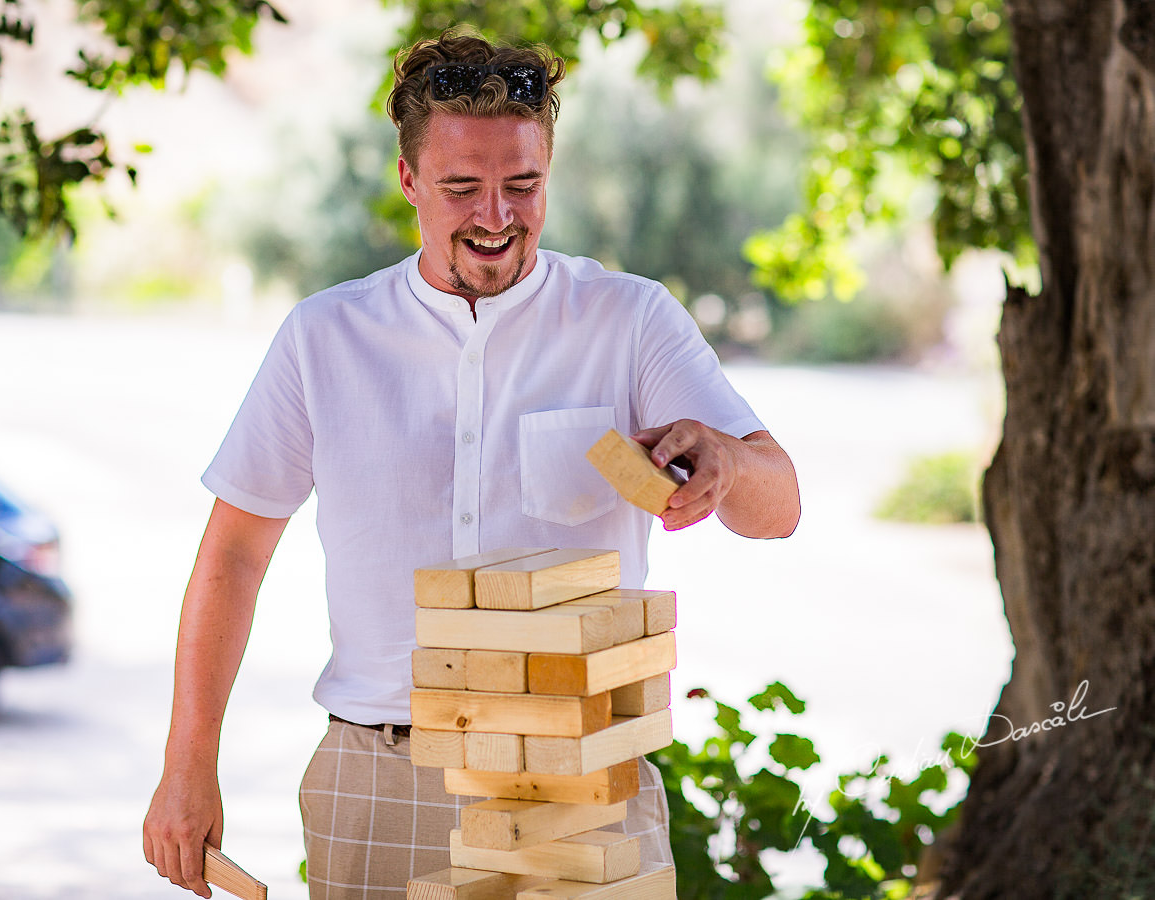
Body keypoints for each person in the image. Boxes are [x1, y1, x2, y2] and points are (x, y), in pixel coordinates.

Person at [143, 28, 800, 899]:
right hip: (378, 776)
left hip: (582, 775)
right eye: (463, 188)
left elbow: (779, 504)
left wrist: (724, 462)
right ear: (410, 180)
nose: (496, 217)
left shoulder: (630, 320)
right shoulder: (323, 337)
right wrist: (188, 763)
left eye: (521, 185)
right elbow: (233, 553)